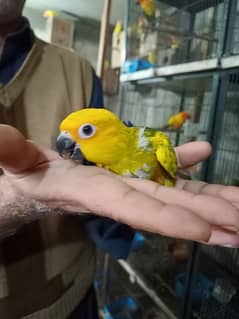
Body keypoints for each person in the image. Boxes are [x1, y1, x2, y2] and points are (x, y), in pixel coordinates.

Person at [0, 1, 239, 319]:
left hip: (75, 292)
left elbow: (101, 199)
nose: (68, 142)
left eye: (84, 131)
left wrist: (141, 241)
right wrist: (19, 200)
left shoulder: (79, 71)